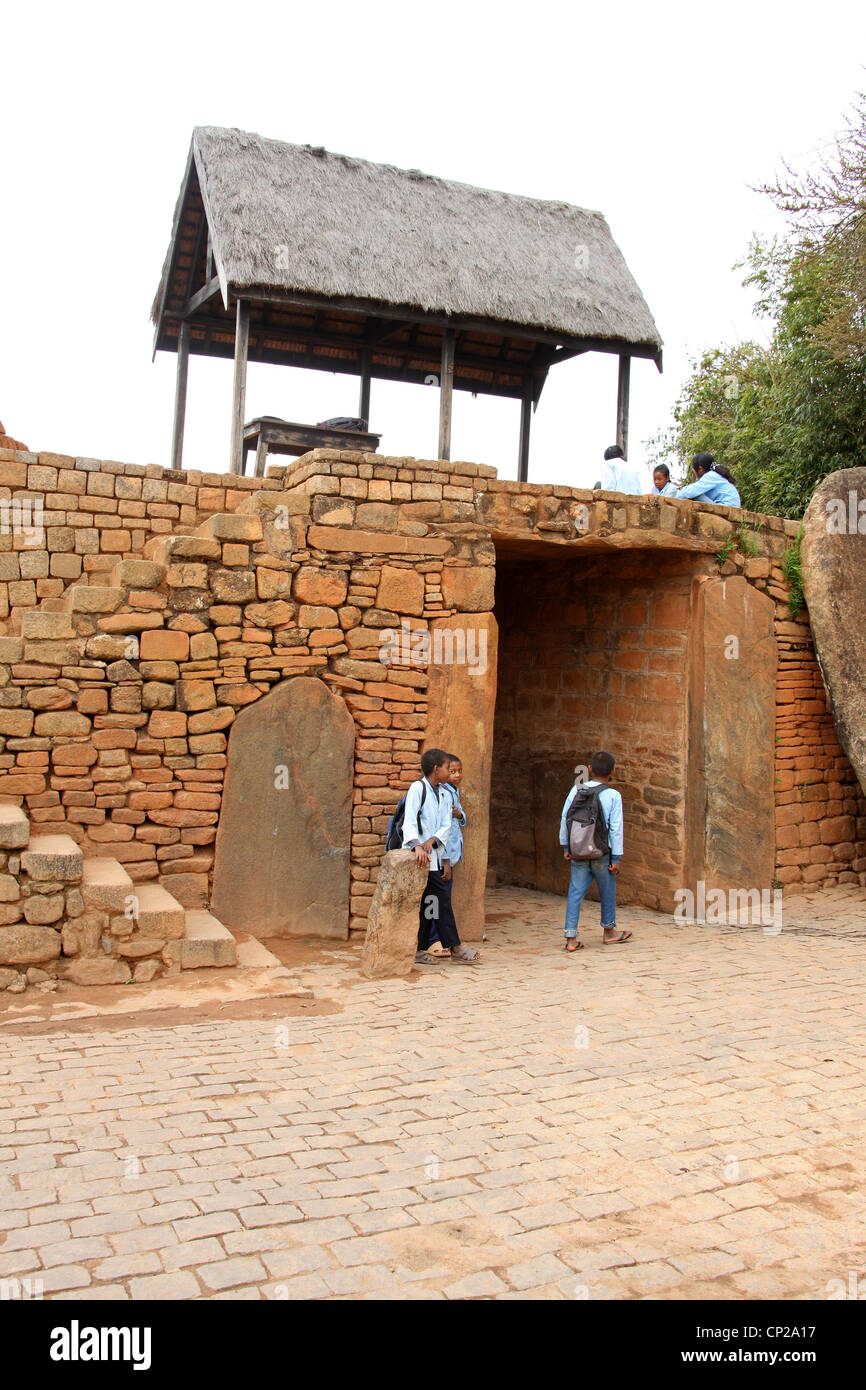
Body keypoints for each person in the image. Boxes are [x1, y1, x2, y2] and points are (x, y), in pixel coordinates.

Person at [403, 748, 480, 965]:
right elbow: (409, 821)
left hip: (435, 857)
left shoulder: (446, 794)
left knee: (435, 902)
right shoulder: (417, 789)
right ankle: (447, 947)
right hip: (418, 858)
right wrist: (417, 845)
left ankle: (434, 947)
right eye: (448, 768)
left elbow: (447, 826)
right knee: (435, 902)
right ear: (437, 770)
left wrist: (437, 846)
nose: (450, 772)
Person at [559, 751, 632, 950]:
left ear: (589, 769)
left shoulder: (577, 790)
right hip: (602, 851)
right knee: (607, 891)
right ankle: (609, 931)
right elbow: (616, 829)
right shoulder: (613, 796)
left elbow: (566, 818)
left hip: (579, 850)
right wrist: (616, 858)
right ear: (613, 771)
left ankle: (571, 938)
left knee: (575, 892)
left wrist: (566, 846)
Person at [428, 754, 468, 956]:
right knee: (437, 899)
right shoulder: (441, 793)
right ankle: (433, 940)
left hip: (449, 855)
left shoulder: (452, 792)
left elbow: (459, 819)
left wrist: (459, 814)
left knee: (441, 897)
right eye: (451, 771)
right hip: (441, 856)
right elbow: (440, 829)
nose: (456, 775)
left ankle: (439, 940)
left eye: (459, 771)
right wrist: (444, 860)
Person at [676, 452, 741, 507]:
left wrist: (673, 499)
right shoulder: (717, 475)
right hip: (730, 505)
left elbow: (688, 492)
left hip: (726, 506)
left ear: (700, 469)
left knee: (694, 495)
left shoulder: (711, 476)